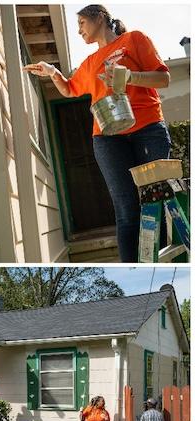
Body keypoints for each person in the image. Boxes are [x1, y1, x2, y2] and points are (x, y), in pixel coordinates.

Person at [23, 4, 171, 262]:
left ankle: (155, 261)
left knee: (153, 203)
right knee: (126, 209)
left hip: (147, 128)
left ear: (100, 17)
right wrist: (53, 72)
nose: (79, 30)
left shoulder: (133, 39)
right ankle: (132, 267)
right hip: (107, 137)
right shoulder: (90, 62)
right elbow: (69, 90)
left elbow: (163, 79)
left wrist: (130, 77)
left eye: (81, 23)